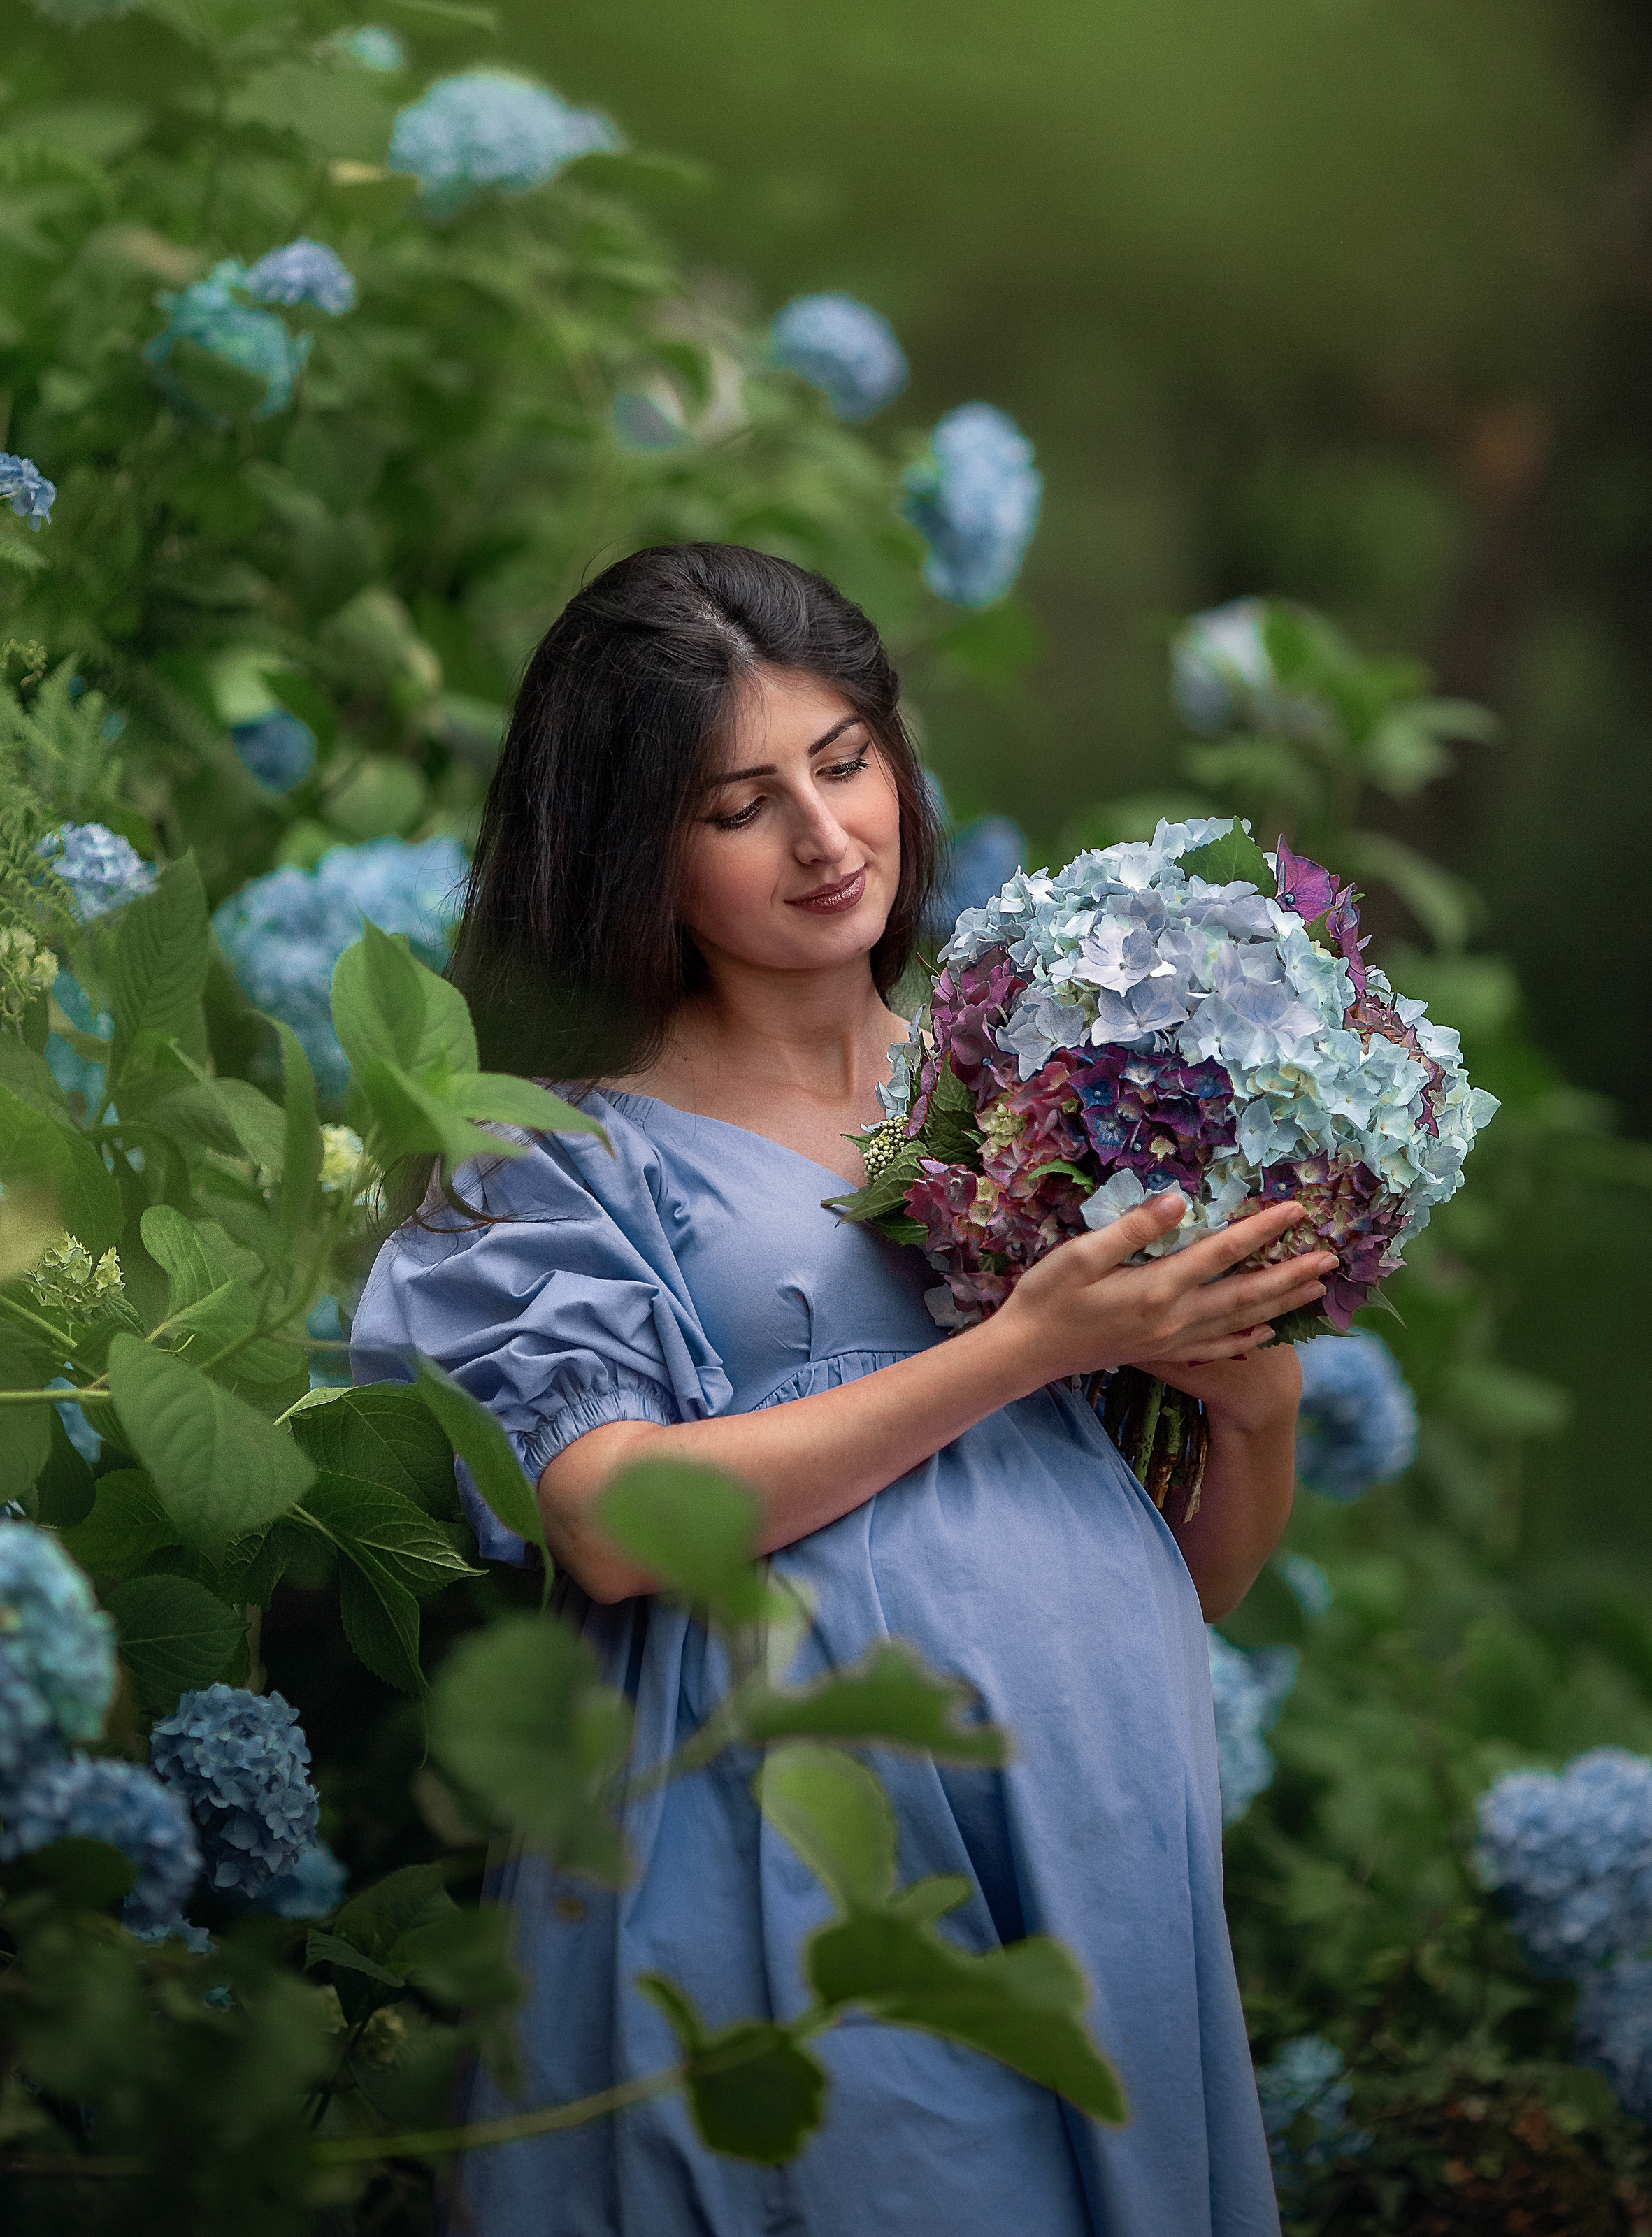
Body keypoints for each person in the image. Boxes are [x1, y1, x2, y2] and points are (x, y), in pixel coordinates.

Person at [352, 543, 1333, 2236]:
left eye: (843, 762)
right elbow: (606, 1521)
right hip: (784, 1837)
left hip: (1097, 1814)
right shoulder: (552, 1150)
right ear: (627, 850)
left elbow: (1203, 1573)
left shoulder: (1042, 1084)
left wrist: (1252, 1403)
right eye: (738, 805)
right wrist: (1019, 1346)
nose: (823, 840)